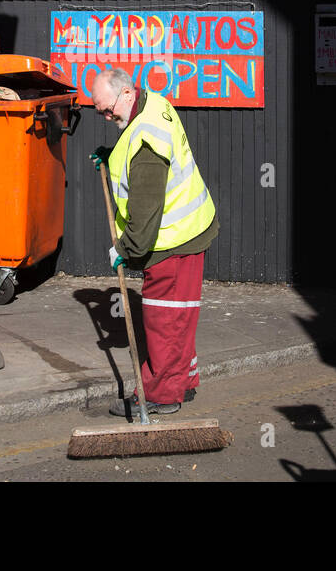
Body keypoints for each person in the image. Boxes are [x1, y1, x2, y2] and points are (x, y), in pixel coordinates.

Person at [89, 66, 219, 418]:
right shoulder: (151, 103)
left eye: (106, 108)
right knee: (180, 318)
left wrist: (125, 251)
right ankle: (184, 382)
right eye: (99, 109)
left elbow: (145, 214)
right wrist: (111, 154)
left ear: (127, 93)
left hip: (172, 242)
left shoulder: (146, 139)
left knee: (163, 324)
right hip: (189, 230)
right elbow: (131, 145)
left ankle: (161, 395)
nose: (104, 115)